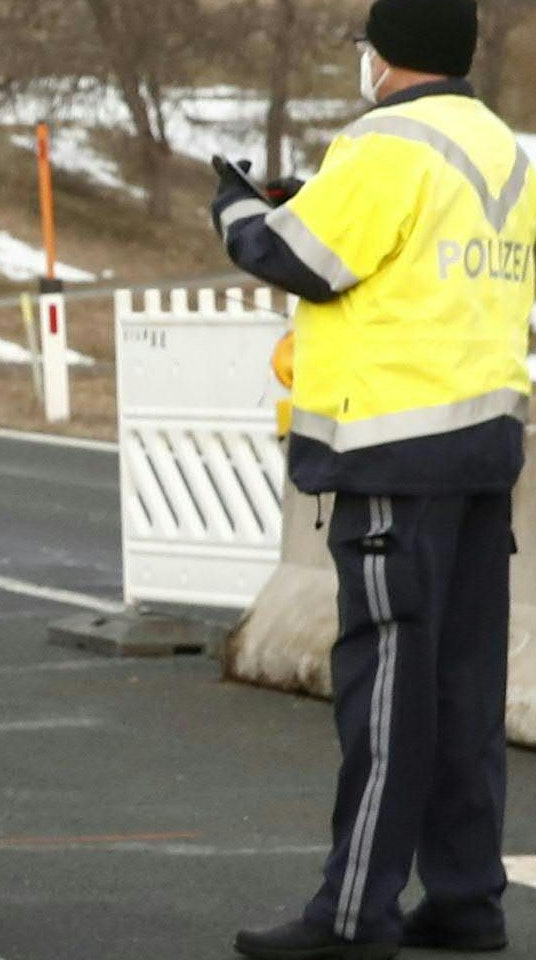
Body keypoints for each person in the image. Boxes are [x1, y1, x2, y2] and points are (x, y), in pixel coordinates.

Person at [211, 1, 532, 957]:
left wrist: (235, 204)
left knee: (387, 689)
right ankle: (468, 899)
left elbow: (301, 256)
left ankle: (353, 915)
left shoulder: (385, 140)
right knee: (466, 689)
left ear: (384, 57)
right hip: (482, 449)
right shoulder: (502, 148)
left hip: (394, 456)